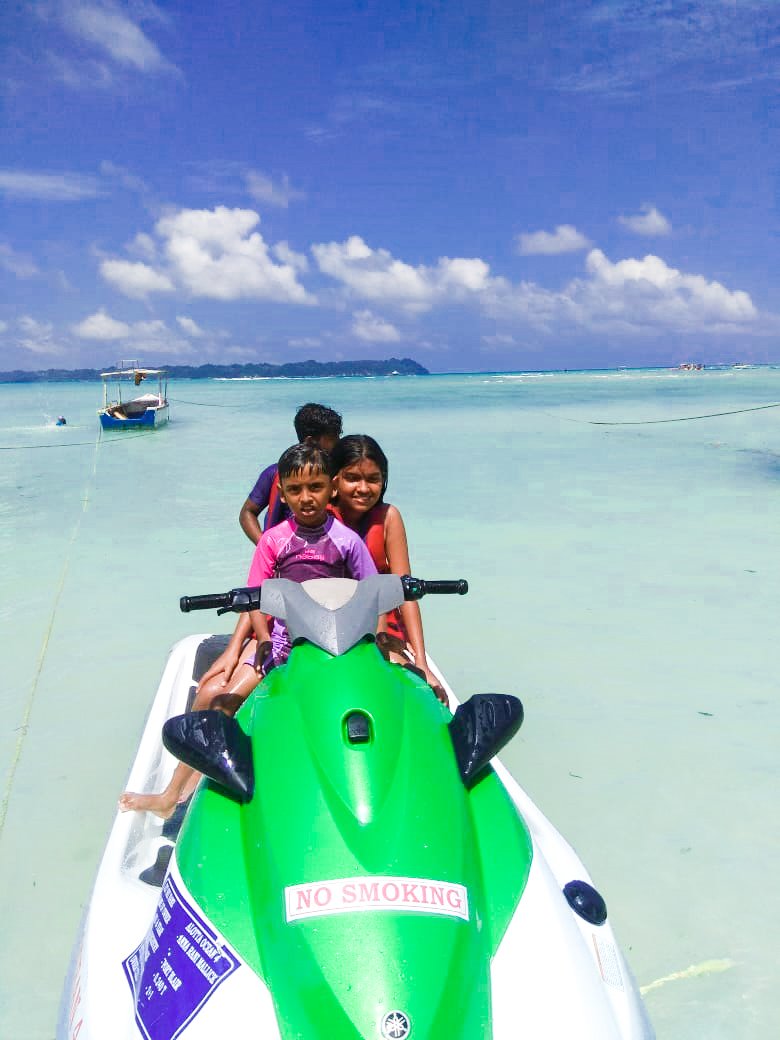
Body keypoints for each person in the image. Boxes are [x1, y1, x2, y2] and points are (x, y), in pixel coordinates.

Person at [119, 441, 376, 818]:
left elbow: (370, 594)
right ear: (283, 495)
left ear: (332, 487)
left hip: (337, 648)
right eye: (295, 490)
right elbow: (257, 598)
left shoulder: (347, 541)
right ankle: (170, 795)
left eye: (316, 487)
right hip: (284, 647)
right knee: (223, 702)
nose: (306, 498)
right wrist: (267, 639)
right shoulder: (273, 541)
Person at [330, 434, 447, 706]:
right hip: (327, 626)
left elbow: (406, 591)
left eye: (373, 479)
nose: (363, 488)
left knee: (420, 695)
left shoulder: (388, 517)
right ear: (334, 481)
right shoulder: (319, 518)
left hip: (384, 630)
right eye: (352, 478)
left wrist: (422, 661)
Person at [239, 402, 343, 543]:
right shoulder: (275, 473)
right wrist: (266, 548)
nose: (338, 443)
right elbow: (247, 512)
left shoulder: (337, 476)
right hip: (282, 559)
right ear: (310, 442)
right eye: (332, 438)